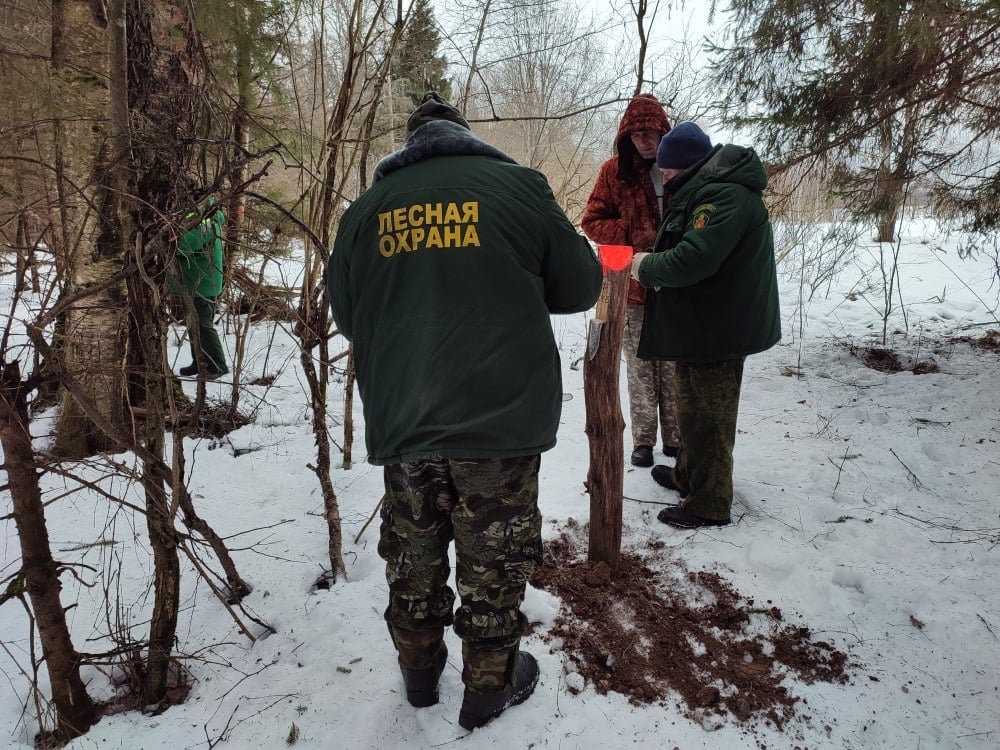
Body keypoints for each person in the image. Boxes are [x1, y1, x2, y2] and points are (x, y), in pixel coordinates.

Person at [327, 92, 602, 729]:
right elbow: (581, 285)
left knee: (414, 552)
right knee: (493, 557)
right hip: (497, 416)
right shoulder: (518, 189)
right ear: (463, 135)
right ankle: (487, 684)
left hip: (406, 416)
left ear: (409, 142)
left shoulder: (366, 212)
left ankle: (419, 675)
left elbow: (348, 315)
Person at [630, 122, 781, 528]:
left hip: (721, 327)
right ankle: (688, 476)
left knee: (709, 418)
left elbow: (694, 259)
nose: (663, 177)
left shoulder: (723, 195)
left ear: (688, 164)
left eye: (668, 170)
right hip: (702, 324)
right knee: (691, 407)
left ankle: (709, 502)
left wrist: (646, 267)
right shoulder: (703, 188)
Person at [581, 93, 680, 469]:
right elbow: (590, 220)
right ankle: (643, 441)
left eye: (650, 131)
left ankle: (675, 439)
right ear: (626, 136)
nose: (643, 140)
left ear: (662, 131)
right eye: (635, 133)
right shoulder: (613, 171)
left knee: (672, 365)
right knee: (639, 366)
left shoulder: (679, 167)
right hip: (632, 288)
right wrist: (629, 232)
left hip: (674, 285)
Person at [172, 199, 228, 378]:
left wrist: (171, 239)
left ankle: (217, 365)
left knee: (203, 325)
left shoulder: (206, 222)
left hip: (203, 285)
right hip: (194, 282)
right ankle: (200, 362)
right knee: (193, 326)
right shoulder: (197, 217)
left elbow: (183, 246)